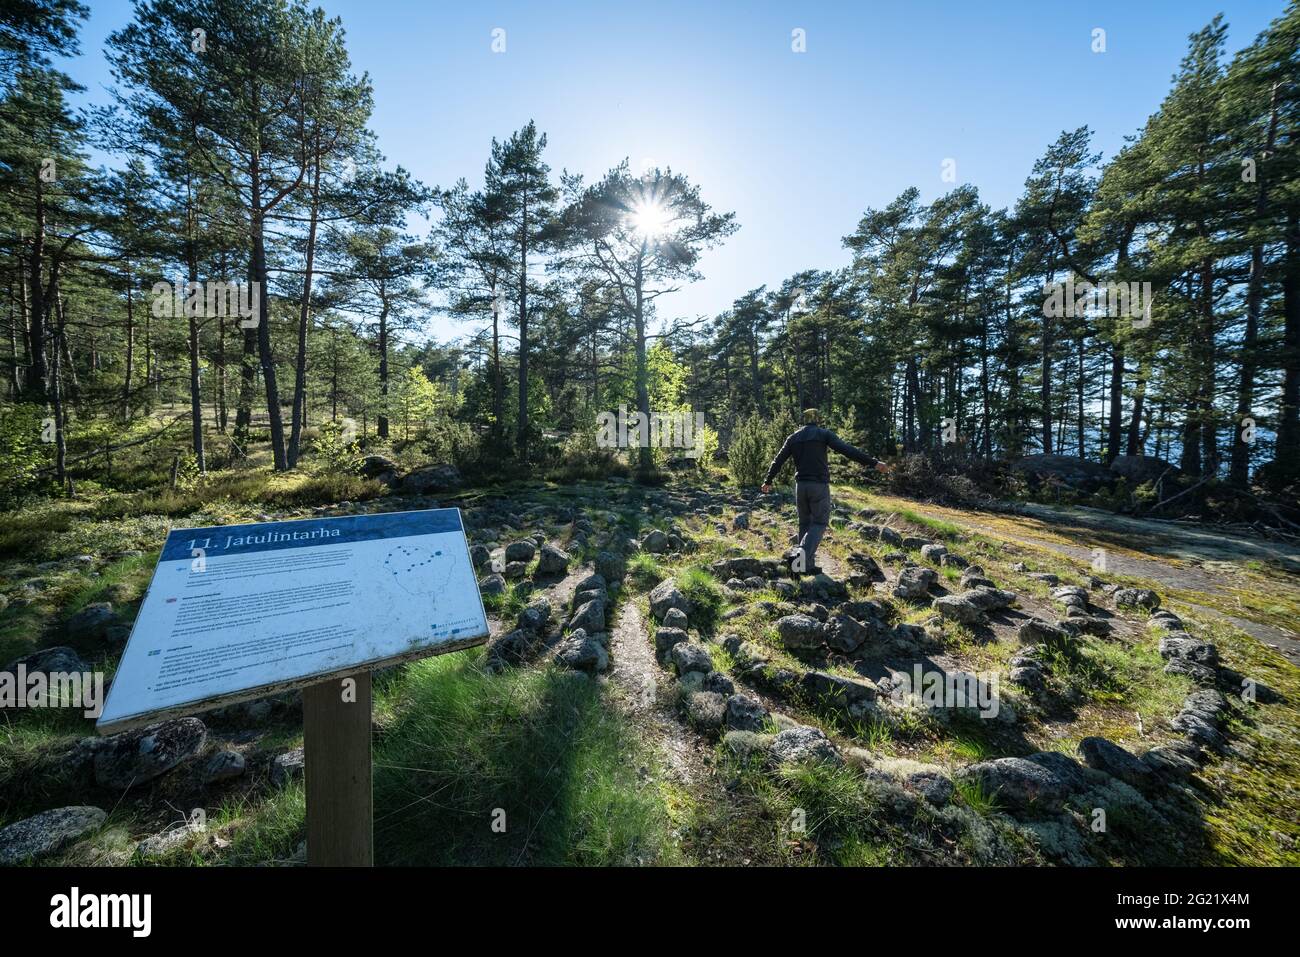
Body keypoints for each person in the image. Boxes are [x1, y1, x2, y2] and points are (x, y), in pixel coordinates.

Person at [760, 409, 890, 575]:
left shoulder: (793, 437)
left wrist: (768, 481)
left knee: (804, 524)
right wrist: (873, 463)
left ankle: (803, 566)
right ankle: (801, 555)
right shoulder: (823, 434)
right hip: (819, 486)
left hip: (801, 487)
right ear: (817, 420)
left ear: (804, 420)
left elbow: (778, 460)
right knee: (820, 523)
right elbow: (847, 450)